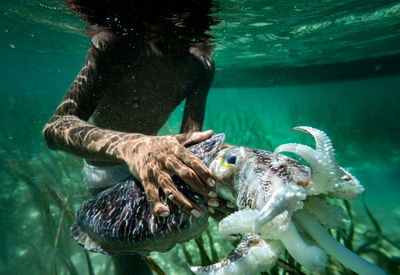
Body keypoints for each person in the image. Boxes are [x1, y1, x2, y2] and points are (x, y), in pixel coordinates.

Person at [43, 1, 230, 274]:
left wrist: (216, 176)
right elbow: (56, 127)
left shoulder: (201, 66)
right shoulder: (111, 45)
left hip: (157, 165)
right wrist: (134, 146)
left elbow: (191, 137)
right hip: (104, 170)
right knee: (130, 264)